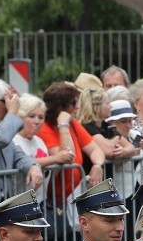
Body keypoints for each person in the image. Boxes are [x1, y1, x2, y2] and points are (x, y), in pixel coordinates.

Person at [0, 79, 43, 241]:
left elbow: (16, 152)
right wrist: (14, 113)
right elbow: (1, 139)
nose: (11, 105)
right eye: (6, 101)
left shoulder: (0, 125)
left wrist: (33, 165)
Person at [40, 81, 105, 209]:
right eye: (73, 103)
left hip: (69, 197)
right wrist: (63, 125)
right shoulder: (44, 128)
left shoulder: (73, 123)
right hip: (49, 201)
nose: (77, 107)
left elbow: (95, 150)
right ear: (60, 107)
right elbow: (67, 156)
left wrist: (97, 165)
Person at [13, 94, 74, 201]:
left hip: (40, 202)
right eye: (31, 116)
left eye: (41, 117)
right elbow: (23, 161)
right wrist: (56, 158)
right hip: (18, 203)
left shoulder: (39, 141)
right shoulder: (13, 140)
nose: (37, 121)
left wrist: (63, 159)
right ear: (20, 117)